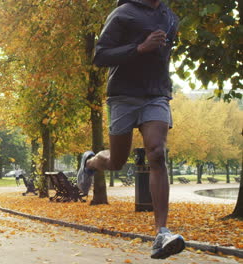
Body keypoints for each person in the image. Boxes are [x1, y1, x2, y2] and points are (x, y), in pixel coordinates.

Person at [81, 0, 185, 259]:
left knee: (157, 153)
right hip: (123, 95)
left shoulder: (170, 17)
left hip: (156, 95)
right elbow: (100, 56)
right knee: (117, 162)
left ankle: (161, 233)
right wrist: (140, 48)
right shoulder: (123, 13)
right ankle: (91, 162)